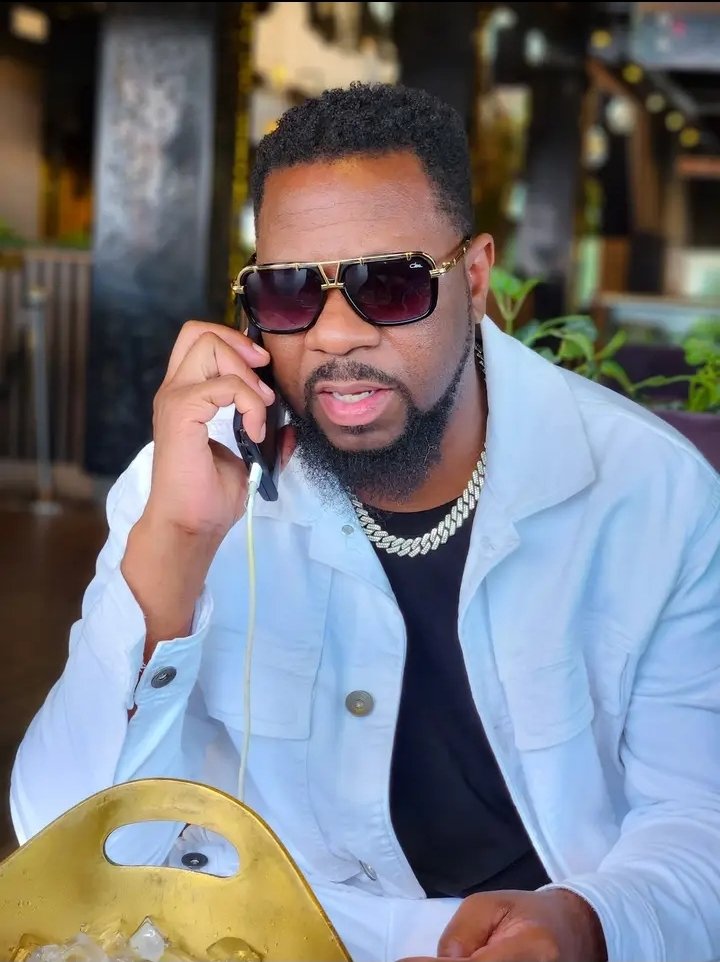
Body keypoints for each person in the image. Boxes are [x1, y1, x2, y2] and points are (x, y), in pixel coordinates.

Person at [11, 83, 720, 962]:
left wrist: (588, 921)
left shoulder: (653, 499)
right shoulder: (190, 480)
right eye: (288, 292)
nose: (336, 334)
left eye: (389, 283)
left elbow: (697, 821)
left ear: (474, 277)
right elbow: (56, 833)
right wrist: (178, 546)